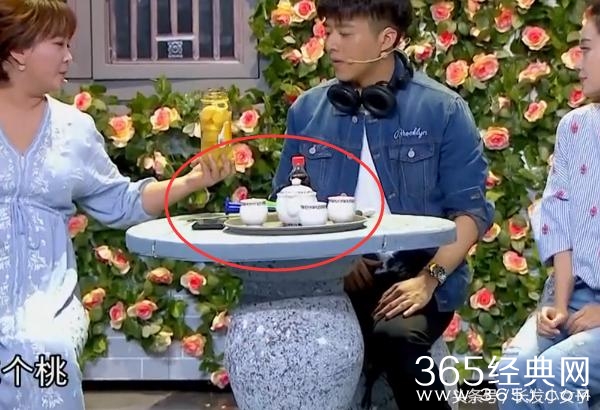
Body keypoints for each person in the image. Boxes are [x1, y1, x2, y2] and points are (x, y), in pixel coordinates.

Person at [0, 0, 234, 408]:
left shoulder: (74, 129)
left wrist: (193, 180)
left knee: (43, 348)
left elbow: (122, 201)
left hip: (46, 305)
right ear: (19, 51)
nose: (69, 57)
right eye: (59, 44)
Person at [271, 0, 494, 408]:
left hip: (417, 274)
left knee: (397, 339)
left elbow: (470, 213)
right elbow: (285, 202)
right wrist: (336, 256)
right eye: (328, 31)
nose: (331, 44)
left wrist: (428, 279)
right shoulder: (307, 112)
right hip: (331, 279)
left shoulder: (442, 109)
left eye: (345, 33)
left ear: (386, 39)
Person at [496, 2, 600, 409]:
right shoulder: (574, 127)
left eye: (586, 49)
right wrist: (556, 307)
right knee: (513, 370)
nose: (579, 62)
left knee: (557, 372)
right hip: (575, 293)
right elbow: (559, 223)